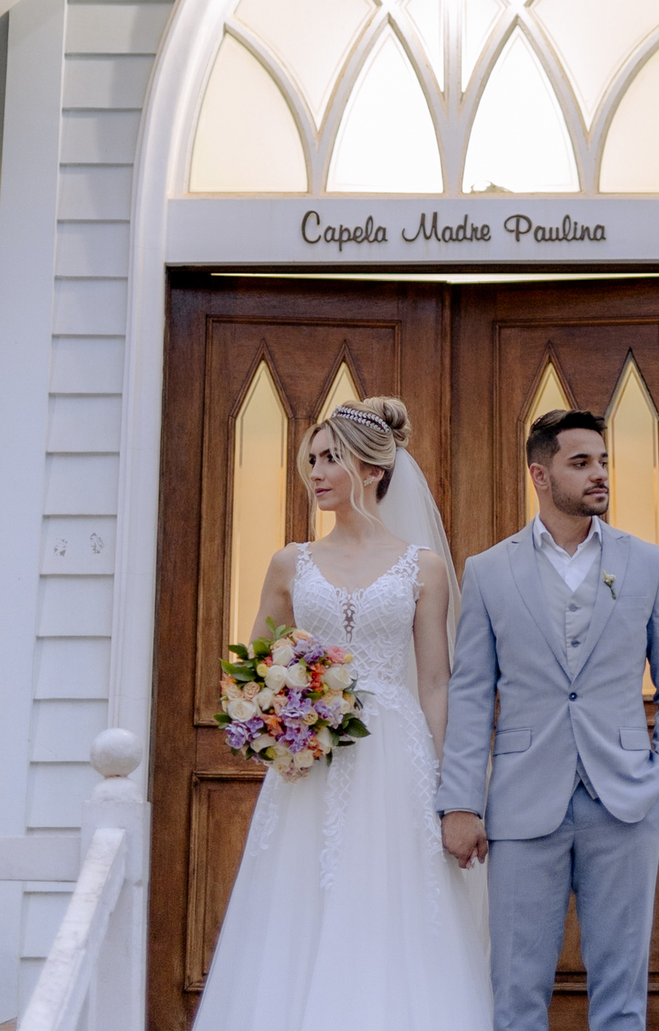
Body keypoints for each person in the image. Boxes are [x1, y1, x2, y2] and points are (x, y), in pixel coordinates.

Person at [194, 396, 492, 1031]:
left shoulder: (425, 568)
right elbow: (255, 668)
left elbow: (436, 681)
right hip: (312, 761)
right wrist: (276, 723)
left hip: (396, 757)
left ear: (375, 470)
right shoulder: (289, 562)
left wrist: (448, 783)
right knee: (301, 900)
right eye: (313, 460)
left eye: (333, 458)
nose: (317, 472)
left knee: (388, 903)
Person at [437, 408, 659, 1031]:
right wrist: (459, 803)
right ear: (540, 473)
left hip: (628, 801)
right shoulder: (488, 570)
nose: (599, 474)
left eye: (603, 461)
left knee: (621, 995)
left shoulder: (648, 563)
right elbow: (471, 694)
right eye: (580, 463)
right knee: (517, 993)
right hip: (523, 802)